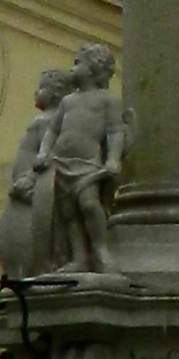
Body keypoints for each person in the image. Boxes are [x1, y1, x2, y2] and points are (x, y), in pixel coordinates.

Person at [44, 42, 131, 272]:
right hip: (62, 164)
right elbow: (53, 130)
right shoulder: (67, 101)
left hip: (89, 164)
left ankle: (101, 250)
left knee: (89, 205)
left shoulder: (107, 100)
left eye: (77, 63)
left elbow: (115, 131)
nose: (72, 68)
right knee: (69, 213)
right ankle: (79, 257)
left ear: (94, 69)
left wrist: (113, 158)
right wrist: (44, 153)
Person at [0, 60, 71, 279]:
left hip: (33, 192)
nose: (36, 92)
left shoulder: (41, 124)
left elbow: (36, 161)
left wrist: (27, 182)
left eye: (42, 87)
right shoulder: (61, 123)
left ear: (56, 93)